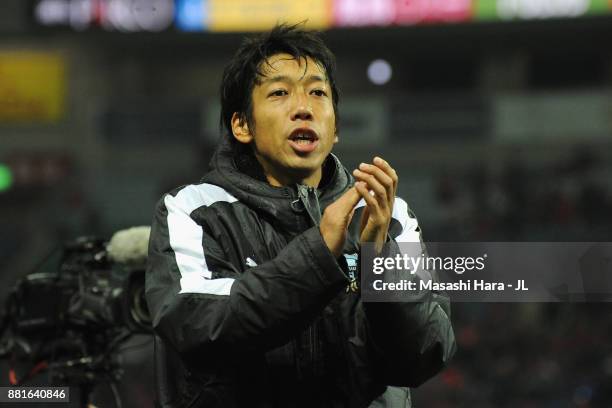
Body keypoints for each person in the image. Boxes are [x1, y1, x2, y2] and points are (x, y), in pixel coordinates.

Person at [145, 24, 456, 408]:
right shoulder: (192, 211)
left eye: (318, 92)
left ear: (336, 126)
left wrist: (379, 259)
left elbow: (427, 353)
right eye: (279, 92)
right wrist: (319, 254)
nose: (304, 107)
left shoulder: (388, 215)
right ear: (242, 125)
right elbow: (197, 325)